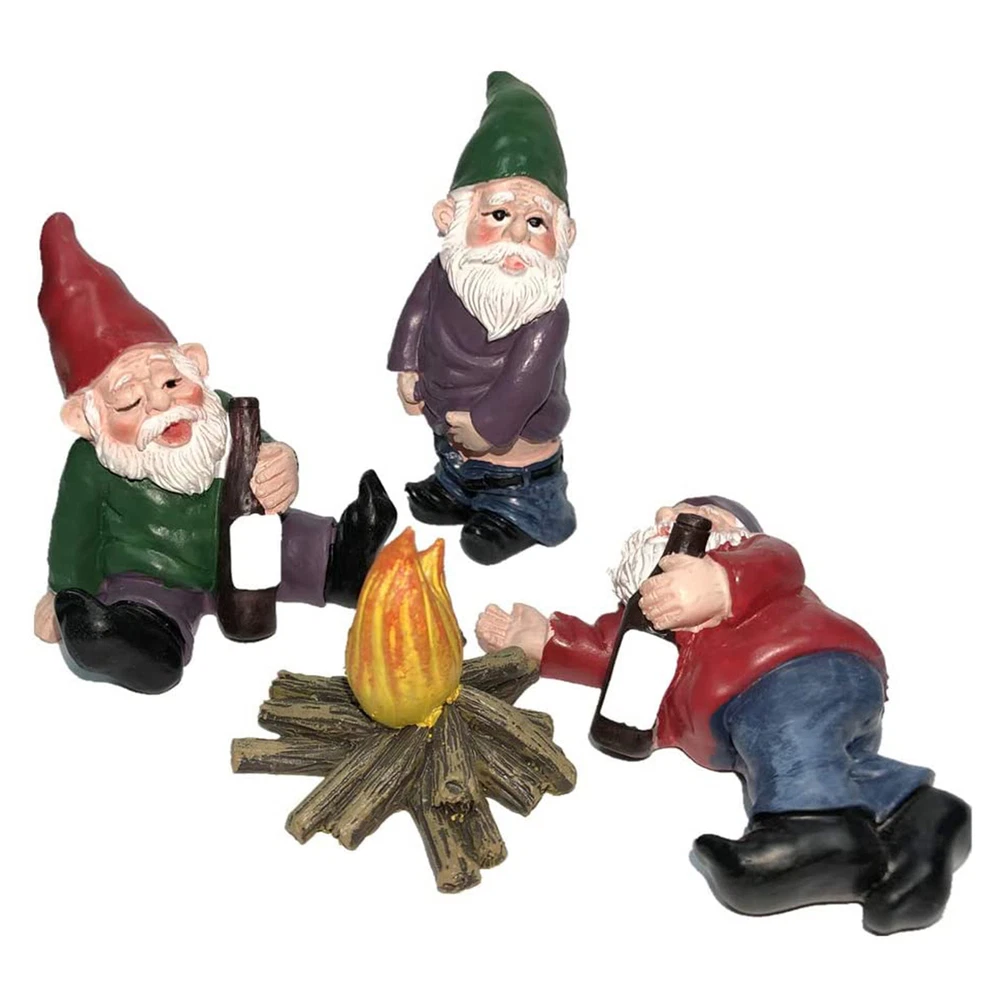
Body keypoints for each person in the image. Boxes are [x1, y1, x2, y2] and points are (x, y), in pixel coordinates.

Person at [475, 496, 971, 934]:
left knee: (786, 741)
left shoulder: (754, 564)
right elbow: (604, 653)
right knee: (823, 764)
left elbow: (778, 563)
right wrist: (541, 641)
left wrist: (717, 583)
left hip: (798, 668)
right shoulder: (641, 623)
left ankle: (815, 833)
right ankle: (919, 819)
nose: (667, 516)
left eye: (694, 513)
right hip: (763, 714)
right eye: (664, 514)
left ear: (734, 532)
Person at [34, 213, 397, 694]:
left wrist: (282, 462)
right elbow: (74, 535)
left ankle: (345, 560)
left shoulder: (222, 412)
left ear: (195, 365)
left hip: (248, 545)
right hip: (155, 574)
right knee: (141, 606)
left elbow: (264, 453)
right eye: (129, 402)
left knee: (295, 540)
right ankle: (135, 643)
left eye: (170, 382)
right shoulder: (90, 464)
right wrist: (66, 589)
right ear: (85, 419)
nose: (160, 404)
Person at [389, 71, 576, 565]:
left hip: (517, 456)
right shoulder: (445, 272)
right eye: (498, 215)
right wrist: (407, 367)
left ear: (565, 235)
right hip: (450, 432)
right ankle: (458, 489)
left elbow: (524, 384)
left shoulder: (546, 316)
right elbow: (415, 316)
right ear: (451, 217)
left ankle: (520, 513)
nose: (517, 234)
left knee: (515, 484)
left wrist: (488, 427)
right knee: (454, 464)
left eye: (535, 222)